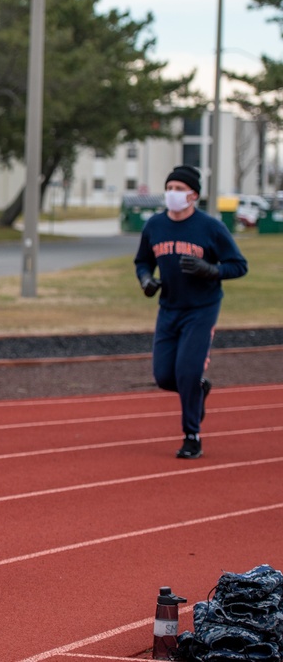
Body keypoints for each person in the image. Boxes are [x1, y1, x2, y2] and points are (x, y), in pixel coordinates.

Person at [134, 164, 248, 459]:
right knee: (164, 376)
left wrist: (210, 269)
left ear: (193, 195)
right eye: (169, 188)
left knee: (186, 371)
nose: (172, 193)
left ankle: (192, 436)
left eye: (179, 189)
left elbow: (239, 265)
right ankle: (199, 386)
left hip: (202, 309)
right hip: (169, 307)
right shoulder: (154, 226)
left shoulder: (210, 227)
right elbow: (142, 261)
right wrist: (146, 280)